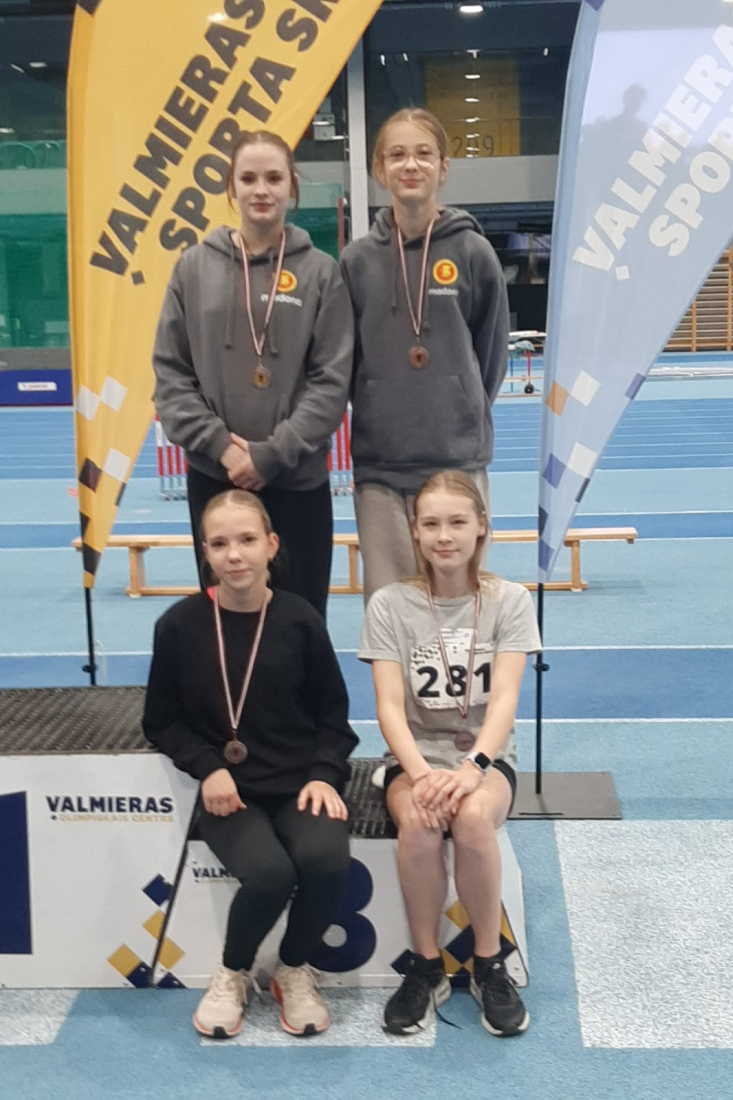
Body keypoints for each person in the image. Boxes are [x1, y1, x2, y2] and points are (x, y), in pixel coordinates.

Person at [143, 489, 358, 1039]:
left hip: (298, 783)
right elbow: (161, 721)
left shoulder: (300, 620)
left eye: (246, 540)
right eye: (219, 543)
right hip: (229, 793)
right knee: (269, 874)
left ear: (272, 545)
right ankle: (233, 972)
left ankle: (292, 969)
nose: (234, 554)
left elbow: (334, 716)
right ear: (205, 552)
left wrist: (324, 774)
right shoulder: (178, 626)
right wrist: (208, 766)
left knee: (326, 859)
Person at [358, 470, 541, 1037]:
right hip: (414, 760)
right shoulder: (390, 604)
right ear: (414, 531)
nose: (444, 536)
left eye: (457, 522)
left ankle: (489, 963)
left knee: (472, 817)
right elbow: (389, 707)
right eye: (431, 523)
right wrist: (421, 775)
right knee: (418, 820)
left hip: (486, 759)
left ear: (481, 526)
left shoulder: (510, 600)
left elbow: (505, 698)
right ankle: (426, 964)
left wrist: (472, 768)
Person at [153, 130, 353, 619]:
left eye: (273, 178)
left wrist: (270, 455)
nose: (261, 189)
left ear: (292, 186)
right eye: (248, 178)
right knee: (227, 626)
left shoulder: (321, 272)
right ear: (231, 186)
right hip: (215, 479)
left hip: (298, 480)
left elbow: (331, 381)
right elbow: (171, 377)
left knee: (302, 620)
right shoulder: (192, 269)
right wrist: (223, 448)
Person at [340, 109, 510, 603]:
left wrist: (459, 404)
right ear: (379, 169)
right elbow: (346, 362)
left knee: (459, 608)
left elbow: (490, 355)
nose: (410, 164)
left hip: (456, 462)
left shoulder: (474, 253)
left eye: (423, 154)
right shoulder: (356, 262)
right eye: (397, 155)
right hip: (382, 468)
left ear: (443, 167)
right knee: (391, 610)